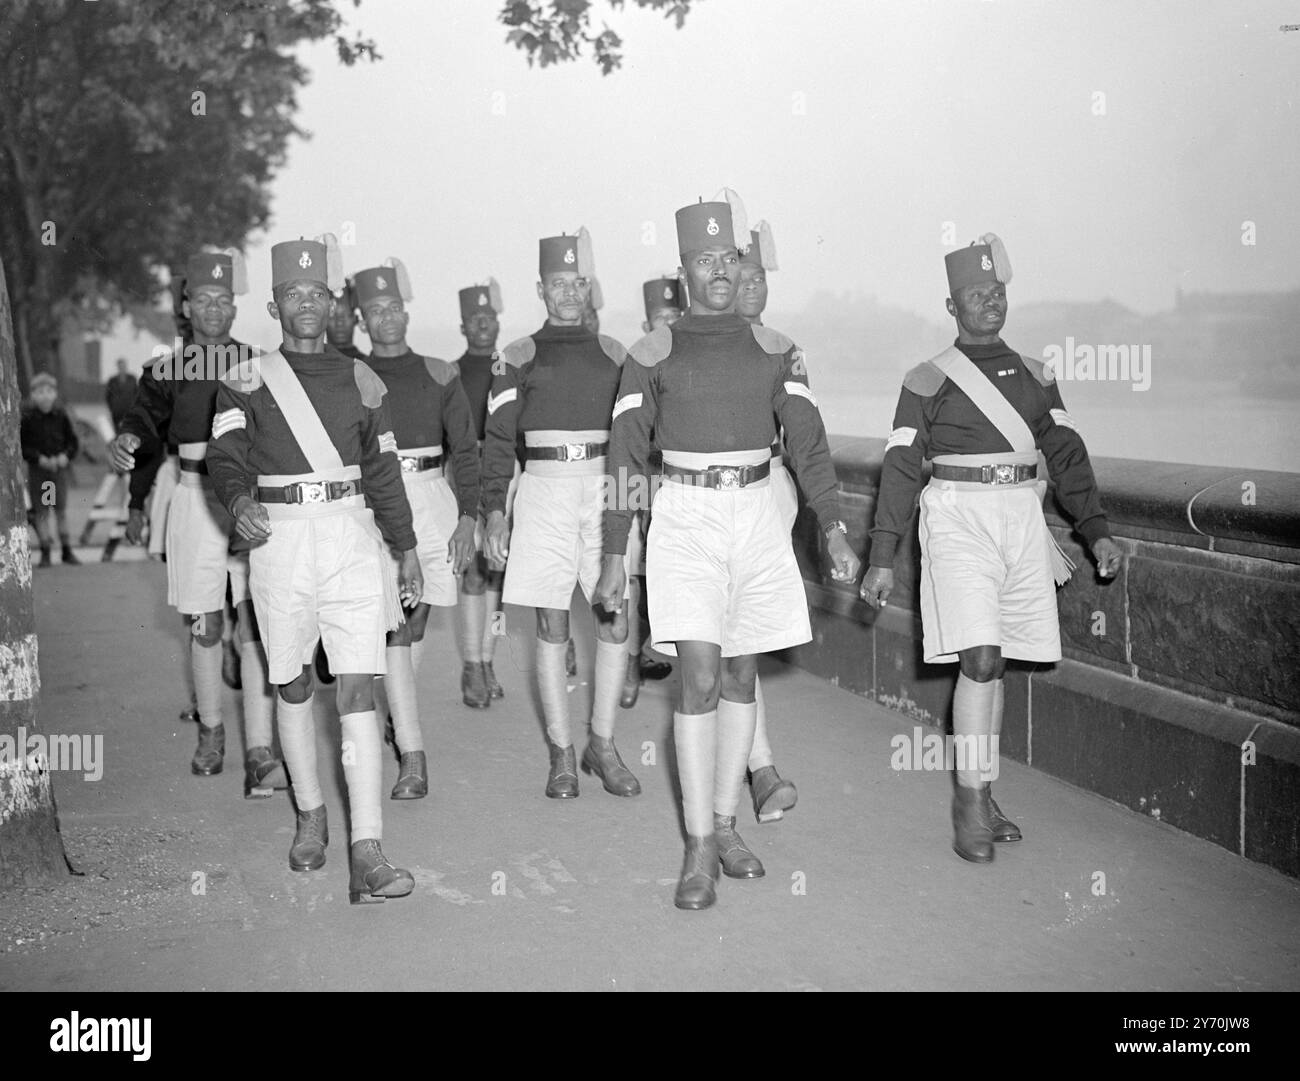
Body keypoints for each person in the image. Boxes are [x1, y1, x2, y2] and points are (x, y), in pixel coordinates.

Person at [596, 193, 860, 910]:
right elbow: (624, 454)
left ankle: (726, 823)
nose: (719, 270)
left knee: (742, 675)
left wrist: (834, 526)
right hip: (683, 512)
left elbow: (807, 441)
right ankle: (697, 848)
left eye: (729, 258)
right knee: (700, 677)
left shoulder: (777, 349)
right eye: (704, 260)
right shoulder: (652, 351)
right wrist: (616, 554)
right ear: (683, 270)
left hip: (756, 512)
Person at [859, 233, 1122, 863]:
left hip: (1021, 521)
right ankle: (969, 804)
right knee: (977, 656)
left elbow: (1064, 455)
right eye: (976, 295)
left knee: (997, 660)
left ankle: (982, 787)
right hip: (956, 520)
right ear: (953, 306)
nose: (990, 302)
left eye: (997, 291)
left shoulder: (1037, 375)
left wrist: (1096, 527)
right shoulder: (925, 380)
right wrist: (881, 553)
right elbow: (900, 467)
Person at [206, 235, 422, 903]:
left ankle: (368, 846)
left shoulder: (361, 377)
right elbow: (225, 458)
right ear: (274, 306)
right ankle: (309, 812)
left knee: (358, 686)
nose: (307, 303)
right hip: (280, 542)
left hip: (352, 539)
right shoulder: (243, 378)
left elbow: (383, 470)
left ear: (333, 304)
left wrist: (407, 544)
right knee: (294, 682)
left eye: (317, 293)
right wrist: (239, 499)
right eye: (293, 294)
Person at [109, 249, 283, 796]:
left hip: (249, 502)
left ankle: (261, 748)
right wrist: (130, 441)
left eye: (222, 300)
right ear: (186, 305)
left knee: (254, 623)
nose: (213, 309)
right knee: (205, 622)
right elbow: (143, 421)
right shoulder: (166, 368)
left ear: (235, 306)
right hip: (191, 496)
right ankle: (211, 731)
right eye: (202, 300)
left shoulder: (260, 364)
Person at [482, 229, 639, 800]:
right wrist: (495, 512)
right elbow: (497, 441)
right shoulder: (517, 355)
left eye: (577, 283)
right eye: (557, 284)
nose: (568, 293)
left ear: (589, 287)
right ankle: (562, 752)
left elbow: (633, 439)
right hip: (544, 490)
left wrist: (631, 503)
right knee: (550, 623)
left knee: (613, 616)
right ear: (541, 289)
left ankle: (602, 742)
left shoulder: (618, 354)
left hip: (602, 486)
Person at [356, 258, 480, 799]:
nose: (387, 318)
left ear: (406, 312)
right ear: (362, 320)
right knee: (396, 627)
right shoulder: (352, 373)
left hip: (433, 498)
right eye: (375, 311)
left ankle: (396, 714)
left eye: (394, 308)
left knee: (418, 619)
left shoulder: (439, 372)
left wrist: (470, 516)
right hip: (377, 501)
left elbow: (467, 450)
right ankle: (413, 753)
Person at [733, 223, 799, 823]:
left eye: (760, 278)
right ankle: (756, 767)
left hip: (770, 491)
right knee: (729, 641)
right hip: (708, 501)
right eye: (742, 274)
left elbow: (806, 437)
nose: (752, 287)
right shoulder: (691, 344)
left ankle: (754, 767)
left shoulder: (784, 347)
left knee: (744, 636)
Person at [617, 277, 683, 708]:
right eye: (661, 319)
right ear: (646, 324)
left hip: (678, 480)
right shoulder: (637, 364)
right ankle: (627, 664)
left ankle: (648, 652)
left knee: (667, 571)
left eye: (676, 317)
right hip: (638, 475)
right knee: (630, 572)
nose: (669, 326)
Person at [454, 279, 510, 707]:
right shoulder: (453, 372)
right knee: (472, 567)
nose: (483, 325)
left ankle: (488, 659)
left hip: (504, 468)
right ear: (463, 327)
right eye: (474, 319)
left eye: (488, 317)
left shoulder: (509, 368)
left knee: (498, 570)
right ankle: (472, 663)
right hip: (465, 470)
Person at [21, 372, 81, 567]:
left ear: (54, 394)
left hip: (58, 471)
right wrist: (39, 458)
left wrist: (65, 456)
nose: (45, 396)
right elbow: (23, 446)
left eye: (48, 391)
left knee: (61, 510)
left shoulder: (61, 416)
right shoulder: (28, 419)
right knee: (42, 511)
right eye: (40, 392)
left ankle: (66, 549)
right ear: (33, 395)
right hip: (40, 472)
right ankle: (46, 550)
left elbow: (72, 442)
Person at [327, 276, 367, 360]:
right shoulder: (312, 364)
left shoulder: (368, 365)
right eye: (333, 316)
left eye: (346, 315)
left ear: (355, 318)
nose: (339, 323)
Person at [105, 358, 138, 434]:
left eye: (123, 366)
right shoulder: (112, 380)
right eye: (120, 366)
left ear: (126, 366)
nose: (122, 368)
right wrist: (112, 408)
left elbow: (137, 394)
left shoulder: (132, 379)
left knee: (130, 429)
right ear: (118, 367)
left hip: (129, 409)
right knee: (118, 431)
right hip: (117, 411)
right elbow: (108, 396)